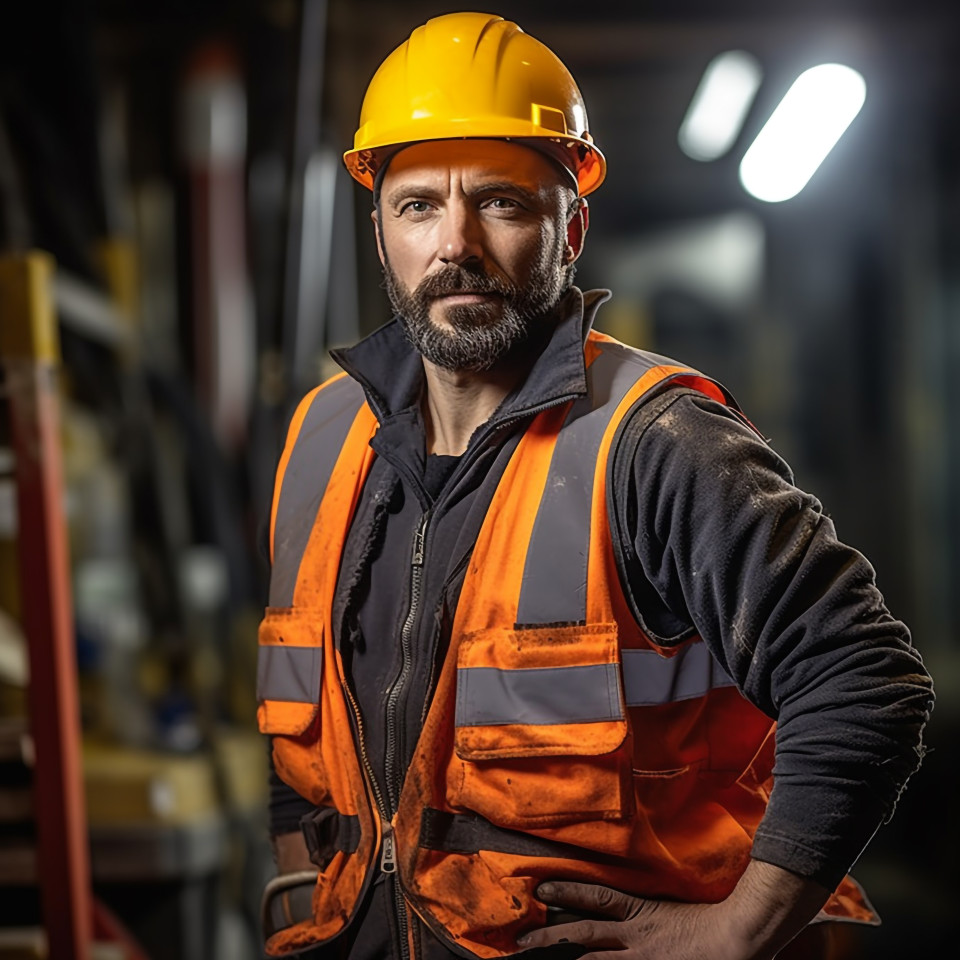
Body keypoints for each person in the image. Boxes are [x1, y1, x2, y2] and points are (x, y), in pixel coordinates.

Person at [256, 12, 933, 960]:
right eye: (418, 207)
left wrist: (740, 931)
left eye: (501, 202)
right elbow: (301, 716)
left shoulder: (656, 442)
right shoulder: (320, 438)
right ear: (379, 233)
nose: (456, 244)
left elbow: (864, 676)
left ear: (571, 224)